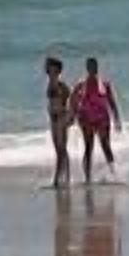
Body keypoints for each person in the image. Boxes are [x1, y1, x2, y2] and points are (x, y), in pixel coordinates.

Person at [70, 57, 120, 184]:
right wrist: (73, 116)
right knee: (88, 147)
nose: (93, 69)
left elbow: (112, 102)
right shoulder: (81, 84)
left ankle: (114, 173)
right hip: (86, 119)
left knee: (106, 146)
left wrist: (117, 119)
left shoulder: (104, 84)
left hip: (102, 118)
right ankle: (87, 178)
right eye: (90, 67)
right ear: (87, 68)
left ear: (97, 68)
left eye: (94, 67)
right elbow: (73, 100)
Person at [41, 56, 73, 189]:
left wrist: (69, 116)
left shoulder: (61, 85)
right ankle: (61, 177)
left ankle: (61, 179)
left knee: (61, 149)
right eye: (49, 69)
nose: (50, 72)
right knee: (59, 150)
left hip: (60, 118)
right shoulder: (50, 83)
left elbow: (68, 100)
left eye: (53, 70)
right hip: (54, 119)